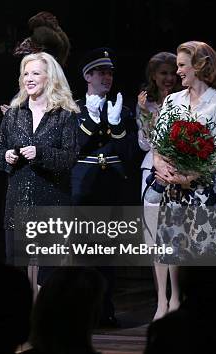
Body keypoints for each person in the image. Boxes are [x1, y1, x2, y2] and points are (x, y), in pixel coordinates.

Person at [153, 41, 216, 313]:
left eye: (182, 65)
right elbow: (157, 142)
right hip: (173, 190)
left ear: (199, 66)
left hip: (203, 192)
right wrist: (160, 164)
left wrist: (187, 177)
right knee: (171, 247)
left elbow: (215, 155)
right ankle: (173, 304)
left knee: (202, 253)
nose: (177, 72)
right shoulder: (173, 101)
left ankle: (204, 311)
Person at [70, 48, 138, 327]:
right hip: (81, 184)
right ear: (87, 75)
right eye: (100, 72)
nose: (106, 77)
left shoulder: (120, 107)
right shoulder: (72, 108)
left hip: (110, 183)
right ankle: (82, 310)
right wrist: (90, 120)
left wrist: (115, 124)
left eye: (110, 72)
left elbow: (128, 150)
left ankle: (105, 308)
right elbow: (72, 147)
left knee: (107, 252)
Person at [0, 51, 79, 265]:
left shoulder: (64, 114)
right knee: (18, 271)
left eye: (35, 73)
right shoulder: (14, 113)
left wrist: (40, 153)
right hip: (18, 202)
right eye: (25, 74)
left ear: (49, 78)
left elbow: (70, 157)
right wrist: (6, 155)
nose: (28, 78)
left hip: (52, 200)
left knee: (48, 272)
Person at [135, 52, 180, 320]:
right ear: (153, 75)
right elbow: (144, 144)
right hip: (151, 170)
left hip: (179, 171)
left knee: (174, 235)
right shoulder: (147, 102)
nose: (169, 78)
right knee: (154, 238)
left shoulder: (183, 100)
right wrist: (144, 115)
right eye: (163, 73)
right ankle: (161, 301)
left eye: (172, 72)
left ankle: (176, 298)